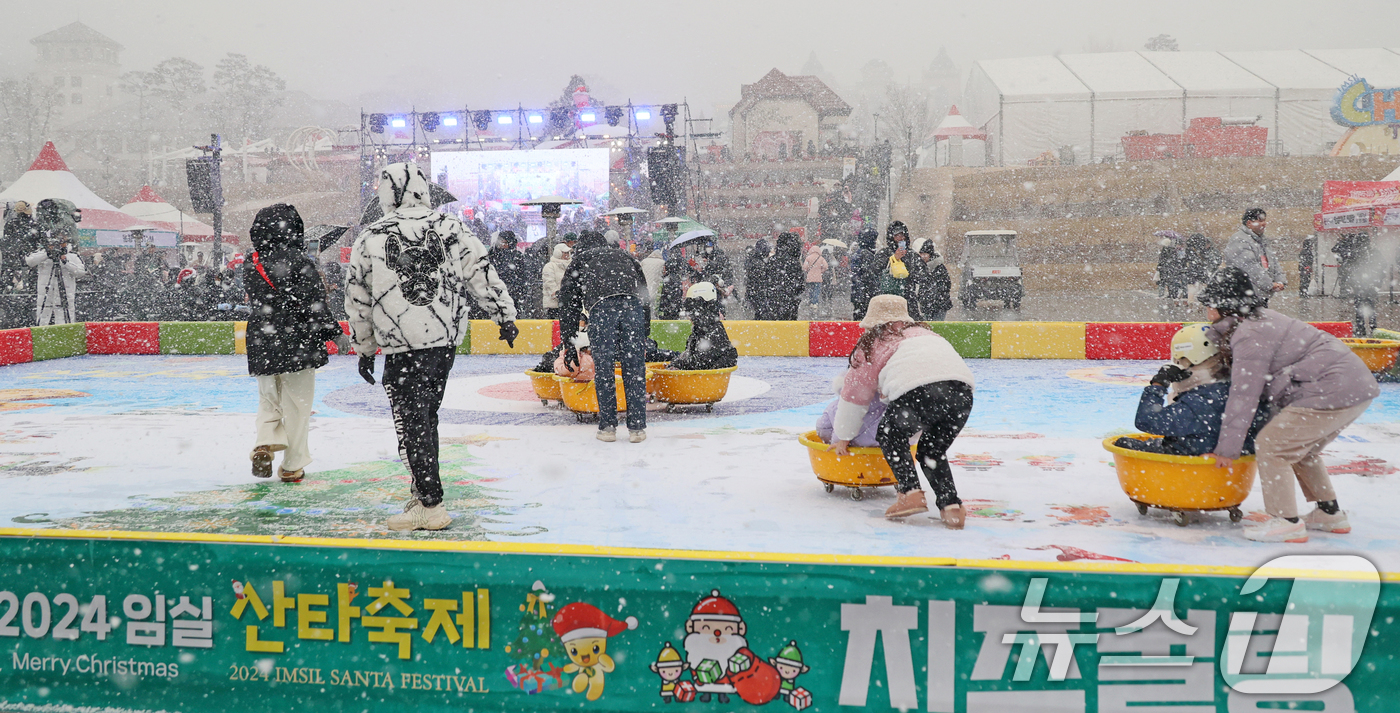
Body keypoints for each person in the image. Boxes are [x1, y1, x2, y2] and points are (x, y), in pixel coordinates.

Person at [346, 162, 519, 531]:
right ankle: (423, 492)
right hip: (443, 342)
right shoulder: (450, 226)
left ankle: (430, 502)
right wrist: (503, 315)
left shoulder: (372, 236)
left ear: (387, 193)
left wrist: (364, 348)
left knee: (412, 422)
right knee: (427, 416)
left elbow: (357, 298)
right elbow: (480, 270)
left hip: (400, 344)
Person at [1199, 267, 1377, 543]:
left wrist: (1227, 450)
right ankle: (1329, 514)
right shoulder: (1260, 321)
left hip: (1328, 388)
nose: (1205, 308)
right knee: (1300, 450)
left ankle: (1285, 522)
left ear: (1223, 305)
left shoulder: (1249, 334)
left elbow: (1244, 394)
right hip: (1352, 386)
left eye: (1208, 303)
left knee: (1272, 446)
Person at [830, 295, 975, 527]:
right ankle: (951, 507)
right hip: (961, 393)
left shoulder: (874, 343)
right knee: (932, 451)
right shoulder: (928, 335)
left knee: (889, 433)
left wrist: (844, 436)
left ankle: (909, 493)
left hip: (918, 390)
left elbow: (854, 395)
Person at [242, 204, 350, 483]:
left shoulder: (251, 262)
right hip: (297, 341)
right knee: (297, 405)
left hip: (262, 340)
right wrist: (334, 333)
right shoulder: (300, 262)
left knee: (268, 400)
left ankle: (264, 443)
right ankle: (292, 465)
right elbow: (313, 306)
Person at [1114, 323, 1267, 456]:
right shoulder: (1237, 388)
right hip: (1220, 456)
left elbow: (1146, 421)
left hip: (1186, 458)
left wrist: (1158, 386)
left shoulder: (1201, 400)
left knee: (1122, 442)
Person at [558, 230, 651, 443]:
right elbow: (645, 294)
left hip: (602, 309)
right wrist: (645, 330)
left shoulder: (581, 260)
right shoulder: (626, 256)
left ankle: (608, 427)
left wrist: (570, 343)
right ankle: (637, 429)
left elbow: (568, 306)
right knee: (634, 369)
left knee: (604, 369)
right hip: (633, 307)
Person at [26, 198, 86, 325]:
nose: (58, 243)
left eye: (61, 240)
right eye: (55, 240)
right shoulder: (44, 254)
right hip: (45, 301)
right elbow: (29, 261)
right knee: (42, 322)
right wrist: (47, 254)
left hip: (65, 301)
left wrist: (65, 261)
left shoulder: (72, 256)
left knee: (65, 321)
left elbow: (80, 272)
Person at [668, 282, 738, 371]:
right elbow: (688, 354)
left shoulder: (714, 331)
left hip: (710, 380)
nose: (688, 316)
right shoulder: (699, 330)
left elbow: (701, 361)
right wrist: (675, 363)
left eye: (690, 311)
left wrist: (679, 364)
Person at [1222, 208, 1284, 307]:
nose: (1264, 224)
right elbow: (1250, 267)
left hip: (1259, 296)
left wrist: (1280, 280)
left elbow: (1273, 261)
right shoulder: (1240, 240)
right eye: (1260, 221)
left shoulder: (1261, 240)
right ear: (1249, 223)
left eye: (1264, 220)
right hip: (1244, 297)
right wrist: (1269, 284)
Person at [489, 231, 531, 318]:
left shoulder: (517, 256)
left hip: (512, 294)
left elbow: (522, 276)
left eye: (504, 242)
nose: (501, 245)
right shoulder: (492, 255)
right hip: (495, 294)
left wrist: (519, 290)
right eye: (500, 242)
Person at [910, 238, 953, 321]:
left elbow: (945, 285)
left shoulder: (938, 268)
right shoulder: (923, 267)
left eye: (925, 254)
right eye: (921, 254)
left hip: (938, 306)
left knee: (936, 327)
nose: (923, 256)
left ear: (930, 255)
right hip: (928, 306)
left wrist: (933, 297)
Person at [873, 222, 916, 299]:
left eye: (902, 235)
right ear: (891, 237)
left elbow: (920, 274)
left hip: (907, 298)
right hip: (888, 297)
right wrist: (893, 259)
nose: (900, 238)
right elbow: (875, 270)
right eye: (896, 235)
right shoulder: (884, 253)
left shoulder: (912, 254)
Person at [768, 232, 804, 320]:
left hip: (774, 301)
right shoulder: (794, 262)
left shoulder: (771, 261)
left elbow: (766, 281)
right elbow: (800, 285)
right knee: (790, 327)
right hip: (790, 301)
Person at [849, 228, 880, 321]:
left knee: (859, 318)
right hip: (864, 295)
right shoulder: (866, 255)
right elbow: (869, 275)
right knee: (866, 321)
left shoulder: (859, 253)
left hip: (859, 294)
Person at [658, 246, 692, 320]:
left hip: (668, 282)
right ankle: (675, 316)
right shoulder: (682, 260)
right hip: (677, 283)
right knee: (676, 301)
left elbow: (664, 272)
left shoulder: (668, 261)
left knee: (666, 301)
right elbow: (687, 271)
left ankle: (666, 316)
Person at [541, 242, 572, 319]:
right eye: (565, 253)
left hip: (568, 304)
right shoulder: (549, 266)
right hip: (554, 305)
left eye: (568, 252)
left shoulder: (571, 265)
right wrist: (558, 294)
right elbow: (549, 283)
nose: (567, 255)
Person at [1154, 230, 1189, 300]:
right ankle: (1173, 294)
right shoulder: (1174, 250)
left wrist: (1160, 267)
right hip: (1173, 268)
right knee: (1170, 282)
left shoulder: (1174, 250)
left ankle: (1174, 294)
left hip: (1172, 268)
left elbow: (1164, 259)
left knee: (1171, 282)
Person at [743, 238, 772, 319]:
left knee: (759, 315)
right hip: (758, 294)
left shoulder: (753, 259)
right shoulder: (759, 263)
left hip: (754, 293)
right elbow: (763, 279)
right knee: (762, 315)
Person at [802, 244, 827, 312]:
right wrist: (821, 271)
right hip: (818, 277)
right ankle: (815, 303)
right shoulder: (821, 258)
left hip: (810, 277)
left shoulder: (808, 258)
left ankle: (811, 302)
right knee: (817, 290)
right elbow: (825, 266)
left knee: (811, 290)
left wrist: (808, 271)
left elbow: (805, 267)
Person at [640, 240, 665, 306]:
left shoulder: (644, 261)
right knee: (654, 303)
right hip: (655, 285)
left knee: (646, 303)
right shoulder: (662, 262)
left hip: (645, 288)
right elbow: (664, 274)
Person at [1298, 234, 1316, 298]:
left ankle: (1304, 292)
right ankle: (1303, 293)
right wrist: (1307, 267)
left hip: (1305, 268)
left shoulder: (1306, 251)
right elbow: (1304, 261)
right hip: (1305, 268)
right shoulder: (1306, 251)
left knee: (1306, 280)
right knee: (1304, 280)